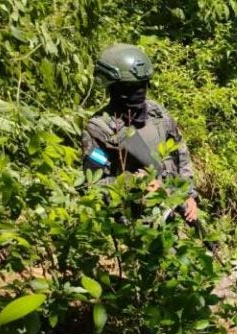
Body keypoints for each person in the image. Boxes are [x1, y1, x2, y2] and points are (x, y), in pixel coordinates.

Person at [81, 43, 198, 222]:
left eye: (142, 85)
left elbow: (180, 152)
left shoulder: (157, 114)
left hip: (170, 209)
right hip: (132, 223)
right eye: (130, 87)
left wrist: (188, 194)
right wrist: (134, 184)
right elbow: (94, 185)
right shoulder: (100, 129)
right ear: (114, 87)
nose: (138, 92)